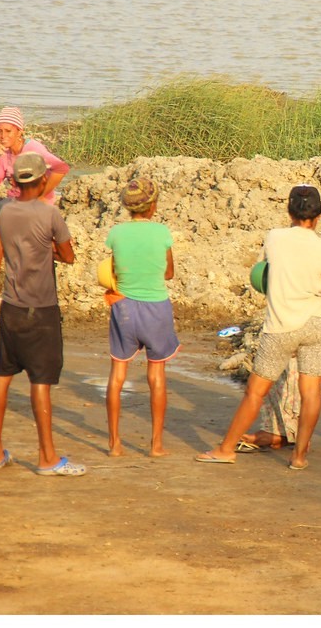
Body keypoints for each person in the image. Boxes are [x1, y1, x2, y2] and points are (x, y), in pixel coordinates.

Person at [195, 185, 321, 470]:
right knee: (311, 392)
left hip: (281, 327)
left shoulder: (274, 237)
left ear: (289, 211)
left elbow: (265, 271)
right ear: (318, 216)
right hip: (316, 324)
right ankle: (298, 456)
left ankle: (226, 449)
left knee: (255, 391)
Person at [0, 152, 85, 476]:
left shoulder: (5, 211)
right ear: (42, 181)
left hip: (11, 305)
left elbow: (0, 239)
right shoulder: (50, 214)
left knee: (2, 374)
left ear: (15, 181)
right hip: (40, 308)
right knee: (40, 381)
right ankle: (47, 457)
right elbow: (67, 256)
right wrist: (48, 248)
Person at [238, 239, 321, 451]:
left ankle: (292, 433)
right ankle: (276, 430)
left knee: (297, 365)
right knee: (277, 359)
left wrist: (305, 343)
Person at [0, 106, 71, 296]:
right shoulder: (5, 154)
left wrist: (40, 195)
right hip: (12, 204)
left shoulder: (33, 148)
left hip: (32, 208)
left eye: (8, 131)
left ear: (20, 131)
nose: (2, 136)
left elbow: (62, 168)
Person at [103, 177, 180, 458]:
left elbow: (113, 268)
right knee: (156, 374)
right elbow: (169, 273)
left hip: (124, 306)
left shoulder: (117, 233)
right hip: (156, 307)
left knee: (117, 374)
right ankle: (156, 445)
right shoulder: (162, 233)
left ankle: (114, 444)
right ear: (153, 206)